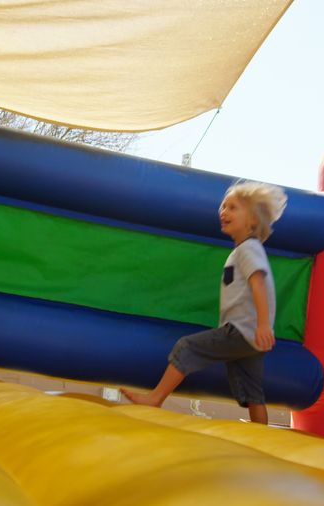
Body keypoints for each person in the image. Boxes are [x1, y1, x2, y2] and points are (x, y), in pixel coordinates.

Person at [121, 181, 287, 424]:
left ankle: (155, 398)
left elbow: (258, 283)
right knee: (253, 391)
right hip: (251, 336)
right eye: (223, 206)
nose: (223, 212)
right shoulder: (244, 250)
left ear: (252, 219)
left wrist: (263, 324)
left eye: (232, 208)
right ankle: (260, 431)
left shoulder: (248, 249)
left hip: (243, 330)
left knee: (186, 347)